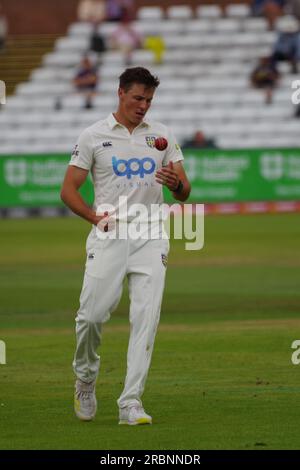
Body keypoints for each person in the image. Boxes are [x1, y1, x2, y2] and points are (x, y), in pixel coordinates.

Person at [60, 67, 191, 425]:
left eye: (149, 100)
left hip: (151, 234)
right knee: (91, 316)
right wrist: (94, 218)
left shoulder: (162, 136)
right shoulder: (93, 135)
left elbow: (184, 191)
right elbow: (68, 190)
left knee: (146, 319)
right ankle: (85, 378)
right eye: (137, 98)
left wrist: (174, 183)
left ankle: (130, 403)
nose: (144, 106)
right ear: (120, 93)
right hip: (108, 234)